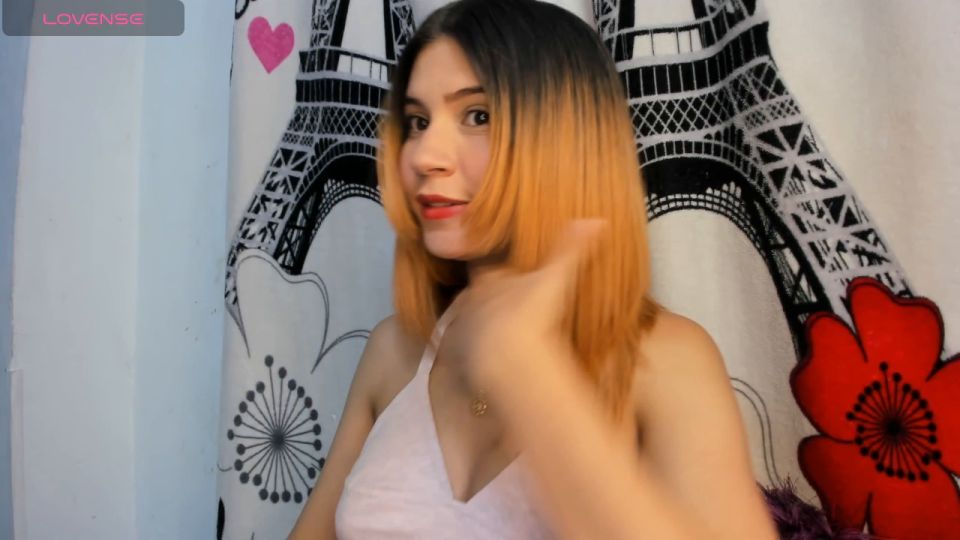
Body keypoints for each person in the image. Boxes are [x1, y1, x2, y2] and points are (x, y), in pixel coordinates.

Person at [290, 0, 777, 538]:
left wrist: (528, 370)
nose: (426, 154)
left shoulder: (669, 359)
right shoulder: (394, 349)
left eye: (478, 116)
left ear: (568, 138)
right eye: (418, 122)